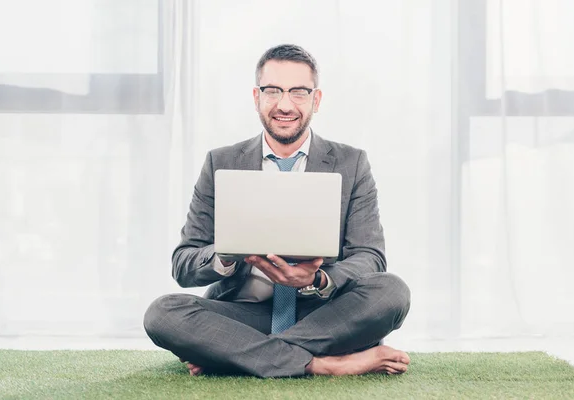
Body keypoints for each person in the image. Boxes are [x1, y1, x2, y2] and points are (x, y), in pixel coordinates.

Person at [143, 44, 411, 378]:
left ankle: (236, 355)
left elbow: (370, 257)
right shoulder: (221, 162)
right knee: (162, 314)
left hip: (324, 315)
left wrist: (317, 279)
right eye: (273, 91)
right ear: (257, 97)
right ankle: (322, 364)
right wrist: (226, 256)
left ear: (317, 99)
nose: (285, 105)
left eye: (299, 92)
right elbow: (184, 264)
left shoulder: (350, 163)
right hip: (245, 314)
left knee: (392, 292)